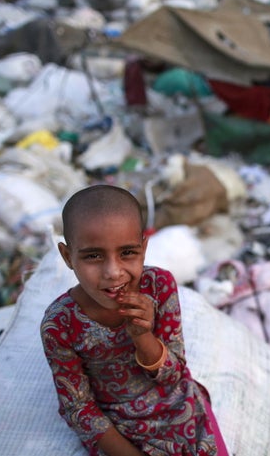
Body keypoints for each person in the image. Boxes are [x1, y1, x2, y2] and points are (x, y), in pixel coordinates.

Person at [41, 185, 228, 456]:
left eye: (127, 253)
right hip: (121, 426)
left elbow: (174, 374)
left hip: (179, 407)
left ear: (143, 248)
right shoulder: (60, 324)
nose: (113, 272)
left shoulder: (159, 287)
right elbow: (78, 408)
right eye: (93, 256)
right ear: (68, 257)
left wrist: (143, 336)